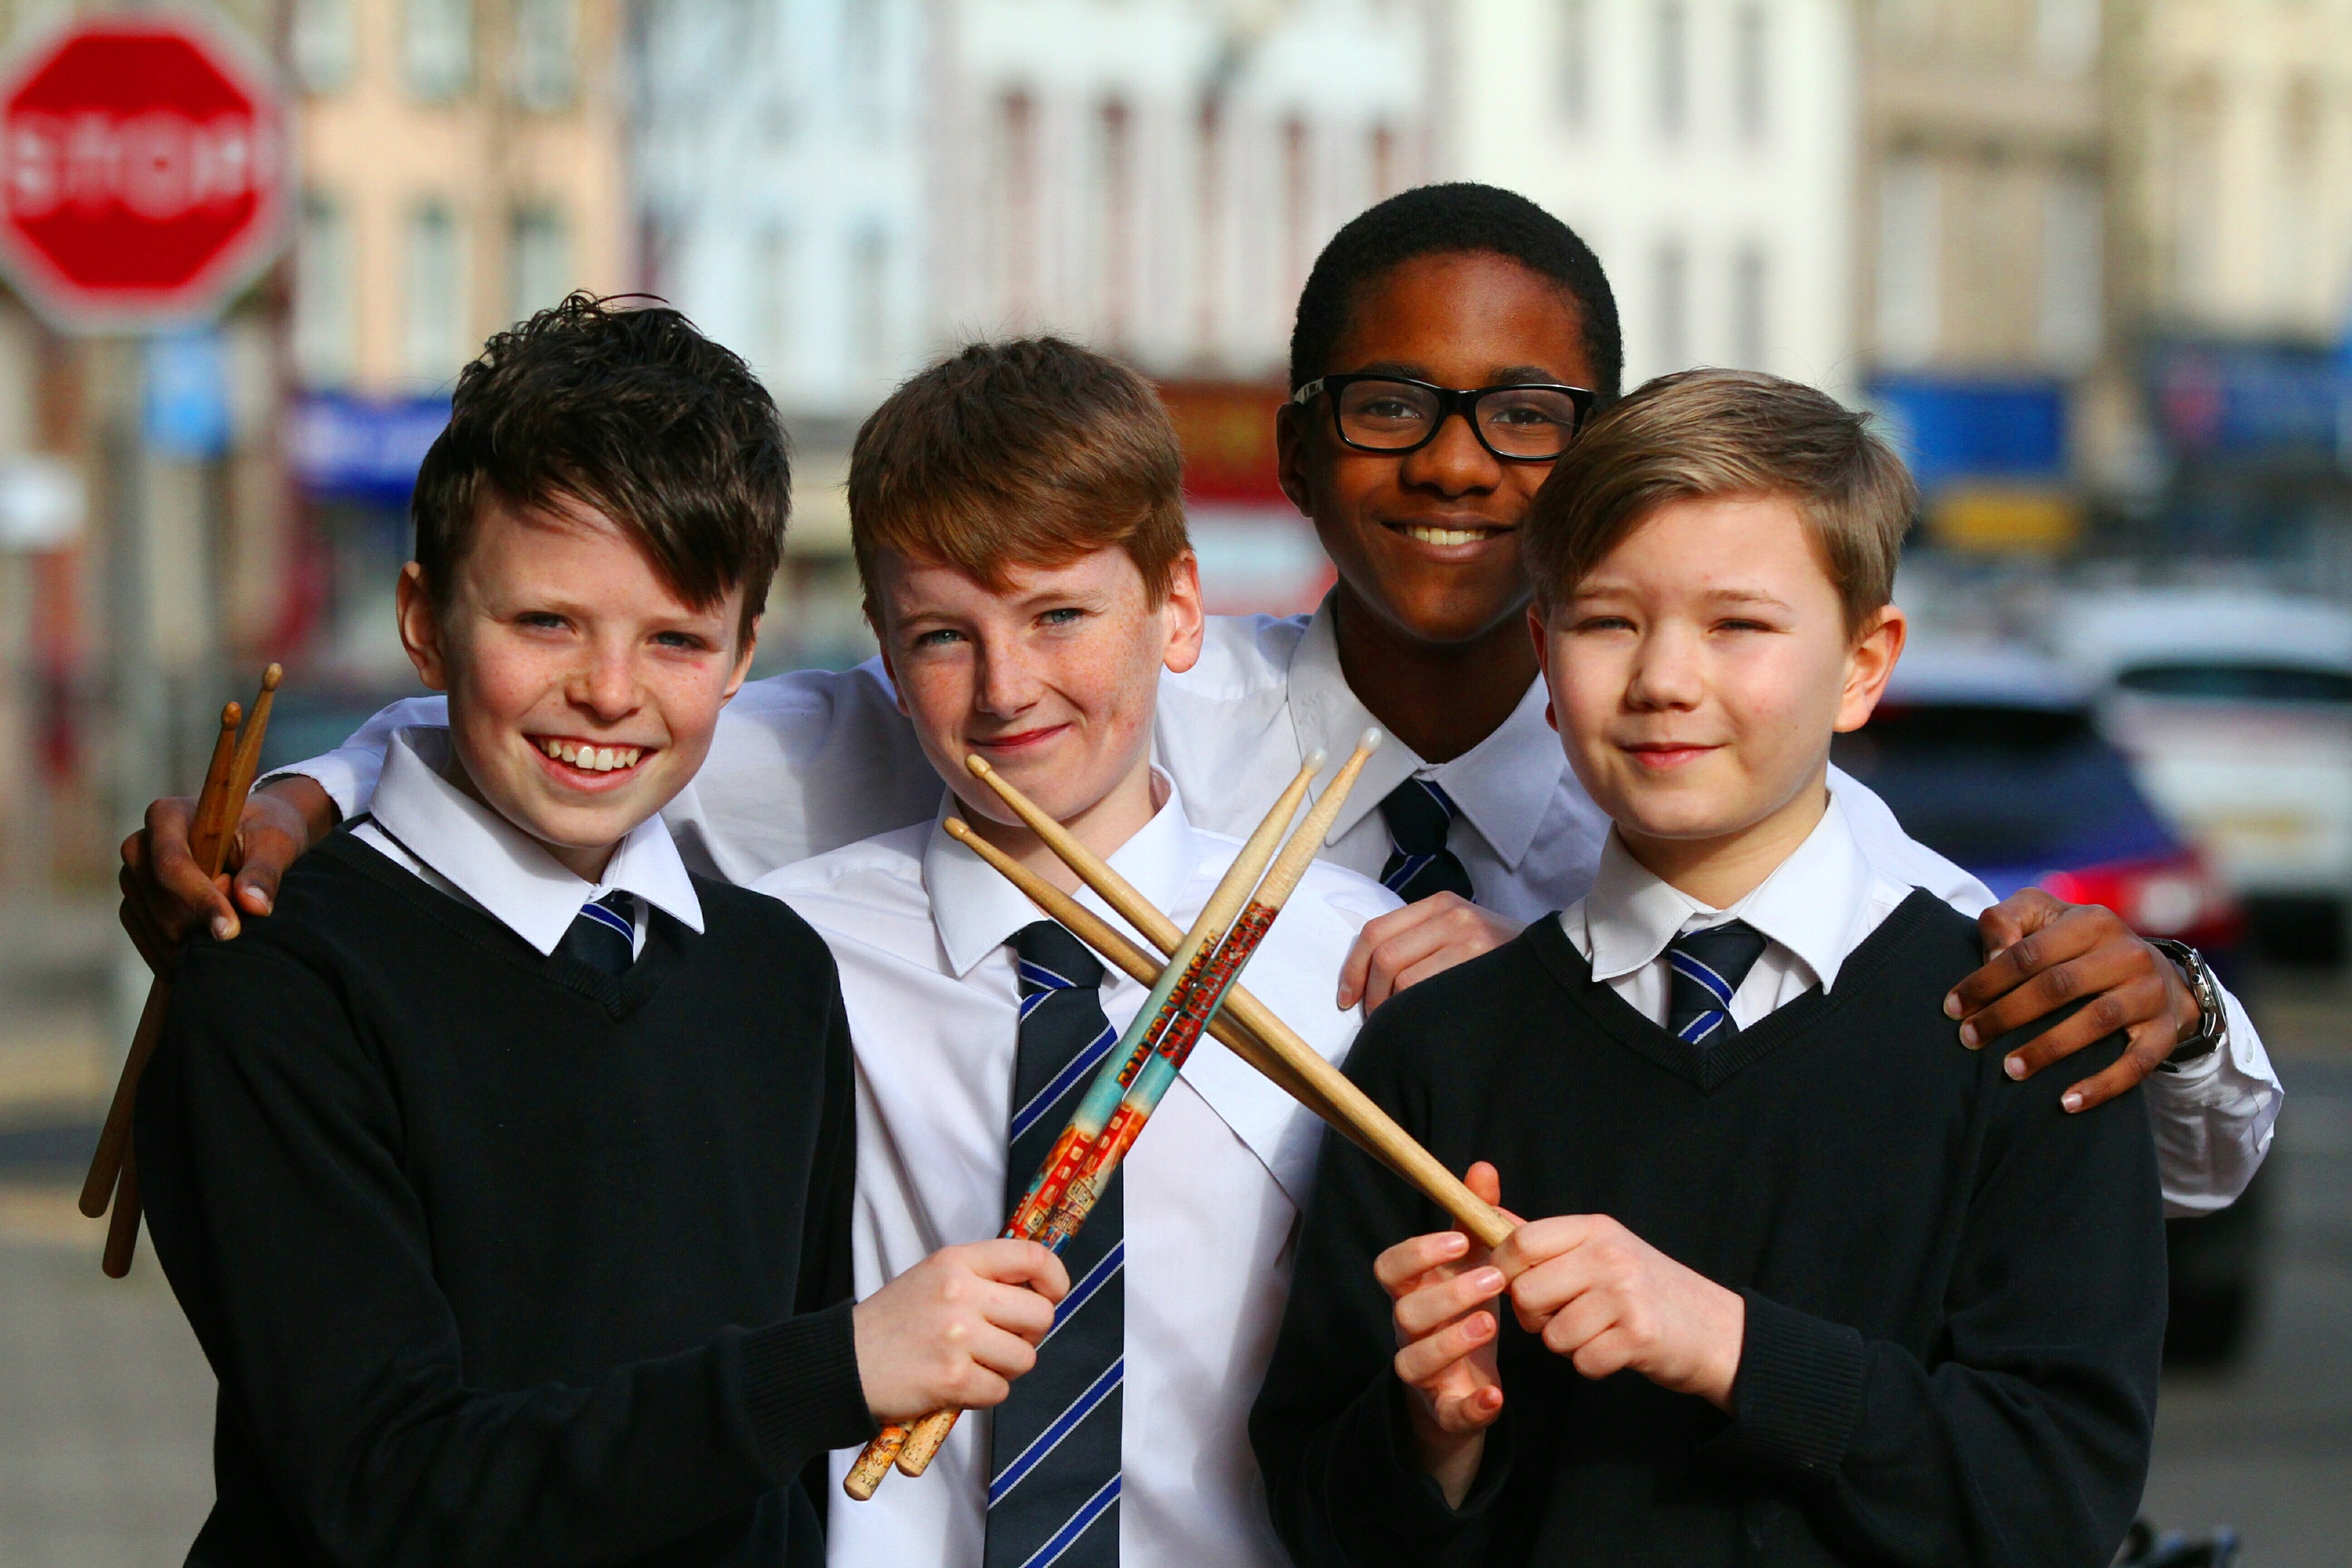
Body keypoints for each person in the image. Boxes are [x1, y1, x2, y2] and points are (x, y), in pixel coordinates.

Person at [116, 184, 2275, 1220]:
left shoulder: (1682, 779)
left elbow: (2051, 1049)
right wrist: (312, 802)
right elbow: (635, 741)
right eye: (1391, 406)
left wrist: (2182, 1016)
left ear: (1603, 441)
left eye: (1526, 412)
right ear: (1302, 441)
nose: (1454, 461)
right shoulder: (1085, 711)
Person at [134, 298, 1066, 1567]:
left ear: (744, 658)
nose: (611, 691)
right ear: (424, 618)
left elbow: (776, 1502)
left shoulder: (772, 973)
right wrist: (827, 1368)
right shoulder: (283, 975)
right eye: (545, 623)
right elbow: (383, 1488)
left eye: (677, 638)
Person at [1250, 369, 2166, 1568]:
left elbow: (2056, 1500)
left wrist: (1730, 1345)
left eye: (1738, 624)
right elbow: (1318, 1516)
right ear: (1541, 647)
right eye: (1606, 622)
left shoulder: (2019, 1033)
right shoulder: (1439, 1045)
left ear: (1863, 663)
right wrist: (1431, 1434)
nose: (1664, 679)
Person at [755, 338, 1397, 1568]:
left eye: (1061, 615)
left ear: (1181, 609)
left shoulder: (1338, 959)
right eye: (944, 636)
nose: (1007, 688)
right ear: (884, 654)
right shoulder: (788, 957)